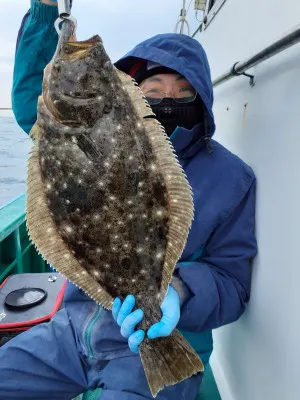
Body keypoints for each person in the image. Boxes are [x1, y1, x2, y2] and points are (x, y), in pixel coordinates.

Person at [1, 1, 257, 399]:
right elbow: (32, 99)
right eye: (154, 91)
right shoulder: (76, 130)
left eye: (182, 91)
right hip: (73, 327)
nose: (169, 100)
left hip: (161, 336)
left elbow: (232, 283)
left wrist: (178, 292)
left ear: (201, 97)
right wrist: (45, 10)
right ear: (132, 94)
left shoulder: (232, 178)